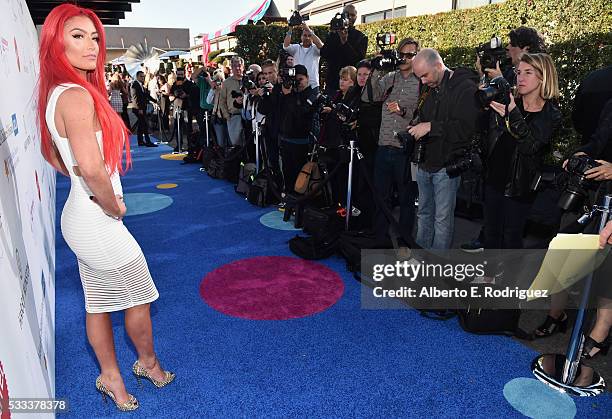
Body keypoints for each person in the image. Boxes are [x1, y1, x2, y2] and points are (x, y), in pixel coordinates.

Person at [37, 4, 174, 411]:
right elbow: (94, 168)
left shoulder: (58, 93)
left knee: (98, 302)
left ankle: (110, 376)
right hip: (96, 217)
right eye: (77, 36)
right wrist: (113, 204)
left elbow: (58, 157)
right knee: (139, 296)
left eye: (94, 36)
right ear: (55, 43)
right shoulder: (76, 95)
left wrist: (89, 185)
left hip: (81, 215)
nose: (91, 44)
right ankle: (147, 363)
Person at [410, 48, 481, 249]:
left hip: (447, 165)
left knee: (442, 220)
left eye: (425, 75)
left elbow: (466, 129)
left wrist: (431, 127)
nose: (422, 81)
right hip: (425, 162)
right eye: (419, 77)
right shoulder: (428, 86)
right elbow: (425, 117)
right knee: (423, 214)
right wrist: (417, 126)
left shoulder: (465, 88)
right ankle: (420, 258)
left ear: (438, 66)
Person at [369, 38, 421, 241]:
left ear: (417, 57)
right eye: (402, 54)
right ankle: (379, 239)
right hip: (383, 146)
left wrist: (403, 111)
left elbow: (425, 116)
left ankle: (404, 242)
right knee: (380, 198)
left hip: (404, 149)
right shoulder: (390, 77)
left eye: (410, 54)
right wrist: (376, 67)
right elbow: (370, 97)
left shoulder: (421, 82)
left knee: (407, 200)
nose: (405, 58)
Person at [278, 64, 317, 191]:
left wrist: (289, 96)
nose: (298, 83)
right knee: (287, 171)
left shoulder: (312, 93)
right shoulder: (291, 92)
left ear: (307, 78)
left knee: (300, 175)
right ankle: (289, 198)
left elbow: (301, 113)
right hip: (286, 139)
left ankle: (299, 202)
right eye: (296, 79)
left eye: (300, 79)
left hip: (301, 142)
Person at [320, 4, 367, 95]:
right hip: (332, 84)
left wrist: (345, 42)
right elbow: (324, 54)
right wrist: (333, 35)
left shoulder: (361, 37)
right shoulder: (333, 34)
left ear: (356, 17)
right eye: (346, 14)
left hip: (351, 86)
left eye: (352, 15)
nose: (349, 17)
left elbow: (359, 60)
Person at [283, 22, 323, 92]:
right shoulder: (296, 47)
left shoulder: (315, 48)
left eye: (309, 35)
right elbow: (286, 46)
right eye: (305, 35)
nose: (307, 37)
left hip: (313, 85)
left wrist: (308, 29)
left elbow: (321, 46)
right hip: (298, 84)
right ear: (301, 37)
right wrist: (290, 29)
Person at [219, 56, 246, 146]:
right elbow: (222, 101)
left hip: (248, 117)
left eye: (239, 65)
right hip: (234, 116)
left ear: (243, 67)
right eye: (234, 66)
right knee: (236, 143)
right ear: (231, 68)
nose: (237, 68)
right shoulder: (226, 83)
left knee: (249, 143)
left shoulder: (248, 80)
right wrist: (227, 116)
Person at [130, 70, 158, 147]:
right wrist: (139, 109)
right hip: (138, 109)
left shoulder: (141, 85)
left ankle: (141, 141)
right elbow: (135, 98)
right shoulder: (134, 85)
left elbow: (145, 95)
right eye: (141, 76)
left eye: (143, 76)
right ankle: (147, 141)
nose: (143, 78)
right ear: (137, 77)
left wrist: (154, 101)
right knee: (144, 125)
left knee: (141, 125)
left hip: (142, 108)